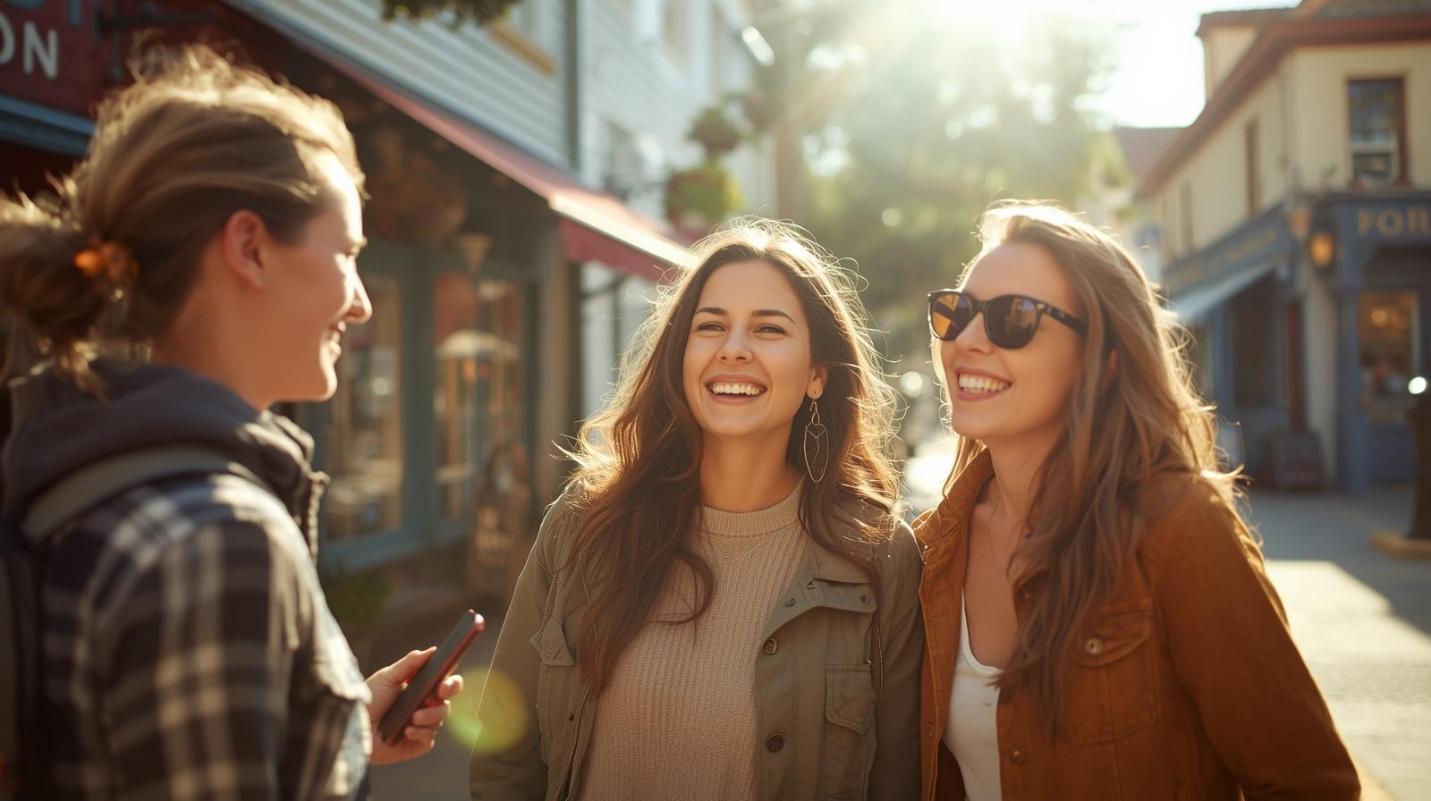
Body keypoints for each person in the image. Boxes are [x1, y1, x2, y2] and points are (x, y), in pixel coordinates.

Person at [0, 47, 460, 799]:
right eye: (345, 252)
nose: (362, 302)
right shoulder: (219, 536)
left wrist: (331, 725)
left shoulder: (74, 470)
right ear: (249, 247)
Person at [915, 202, 1358, 800]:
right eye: (957, 311)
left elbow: (1308, 783)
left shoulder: (1179, 529)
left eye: (1014, 317)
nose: (967, 340)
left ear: (1103, 361)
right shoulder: (929, 551)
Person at [468, 219, 922, 801]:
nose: (734, 348)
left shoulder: (879, 555)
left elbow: (899, 780)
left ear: (816, 375)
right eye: (711, 326)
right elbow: (504, 754)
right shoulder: (585, 522)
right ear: (681, 358)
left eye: (769, 329)